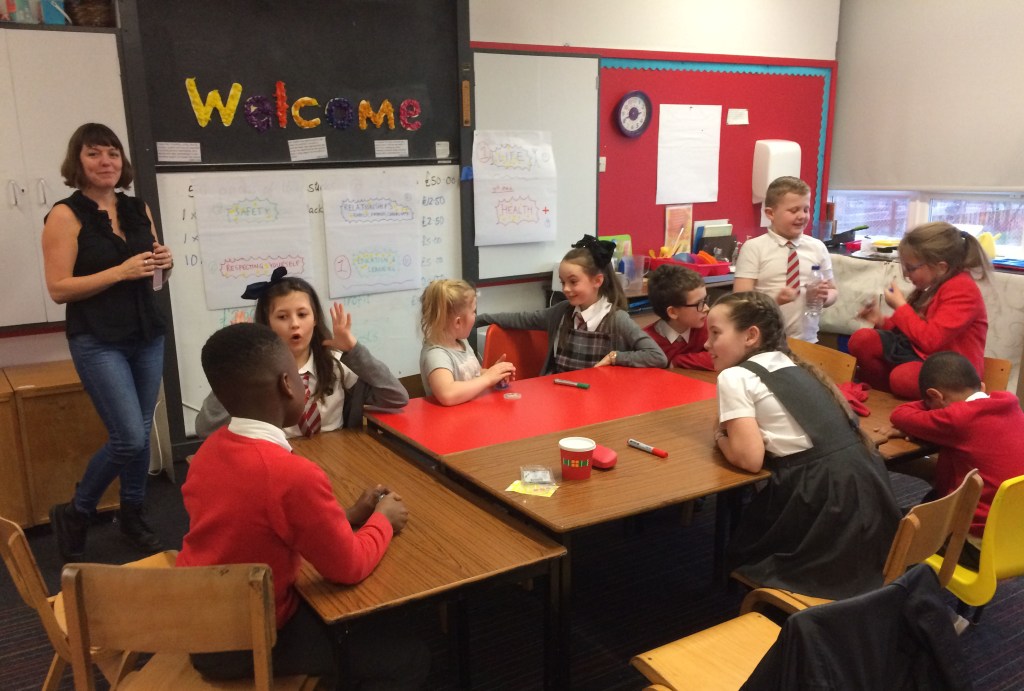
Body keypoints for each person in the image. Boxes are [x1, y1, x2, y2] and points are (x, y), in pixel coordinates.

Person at [179, 323, 426, 689]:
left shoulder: (207, 453)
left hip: (198, 626)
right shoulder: (291, 474)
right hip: (252, 640)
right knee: (410, 657)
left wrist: (347, 517)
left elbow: (256, 524)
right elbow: (349, 567)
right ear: (286, 384)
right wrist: (382, 520)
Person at [706, 291, 900, 599]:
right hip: (869, 489)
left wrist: (719, 436)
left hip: (822, 505)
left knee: (745, 550)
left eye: (715, 333)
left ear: (751, 336)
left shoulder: (734, 376)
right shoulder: (790, 362)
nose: (707, 344)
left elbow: (749, 458)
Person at [43, 123, 172, 560]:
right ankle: (77, 510)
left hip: (146, 333)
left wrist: (163, 266)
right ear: (77, 163)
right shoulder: (65, 215)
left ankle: (132, 514)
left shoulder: (139, 209)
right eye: (95, 154)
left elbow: (152, 278)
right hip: (98, 339)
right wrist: (120, 271)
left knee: (138, 432)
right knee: (129, 439)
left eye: (113, 154)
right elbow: (59, 288)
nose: (106, 163)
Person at [194, 267, 408, 437]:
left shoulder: (336, 363)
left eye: (302, 314)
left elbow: (396, 397)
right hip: (280, 460)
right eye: (282, 317)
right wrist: (237, 363)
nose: (294, 324)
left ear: (315, 319)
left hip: (340, 457)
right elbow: (206, 427)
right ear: (266, 323)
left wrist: (354, 350)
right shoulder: (256, 373)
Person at [886, 351, 1024, 569]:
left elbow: (900, 415)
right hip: (1016, 539)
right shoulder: (1009, 405)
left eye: (930, 403)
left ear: (935, 396)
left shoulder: (959, 419)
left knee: (893, 528)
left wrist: (928, 420)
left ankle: (903, 591)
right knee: (934, 488)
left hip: (981, 546)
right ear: (982, 386)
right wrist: (934, 424)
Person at [475, 234, 667, 375]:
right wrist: (479, 319)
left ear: (597, 281)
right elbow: (521, 319)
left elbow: (656, 356)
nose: (566, 289)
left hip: (600, 400)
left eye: (573, 282)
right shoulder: (561, 312)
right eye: (562, 282)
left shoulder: (617, 320)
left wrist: (615, 357)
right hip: (559, 397)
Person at [849, 222, 991, 400]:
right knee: (862, 340)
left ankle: (899, 398)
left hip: (952, 371)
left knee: (903, 377)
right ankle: (883, 397)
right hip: (920, 355)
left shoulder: (963, 290)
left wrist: (901, 307)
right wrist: (880, 320)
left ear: (941, 267)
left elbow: (930, 340)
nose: (907, 275)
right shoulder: (935, 284)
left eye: (911, 268)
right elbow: (911, 330)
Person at [733, 176, 837, 343]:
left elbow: (833, 291)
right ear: (770, 213)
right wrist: (776, 300)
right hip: (764, 341)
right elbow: (740, 301)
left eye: (806, 209)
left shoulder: (817, 247)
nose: (802, 216)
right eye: (794, 210)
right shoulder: (754, 248)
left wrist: (825, 296)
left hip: (808, 340)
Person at [418, 279, 517, 405]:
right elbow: (447, 394)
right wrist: (487, 379)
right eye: (473, 311)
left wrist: (493, 374)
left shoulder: (461, 342)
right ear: (458, 322)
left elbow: (471, 375)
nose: (475, 316)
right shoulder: (436, 355)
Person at [643, 264, 713, 370]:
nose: (707, 308)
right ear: (673, 312)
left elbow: (725, 357)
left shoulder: (708, 327)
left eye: (705, 300)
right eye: (699, 304)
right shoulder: (645, 342)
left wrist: (678, 361)